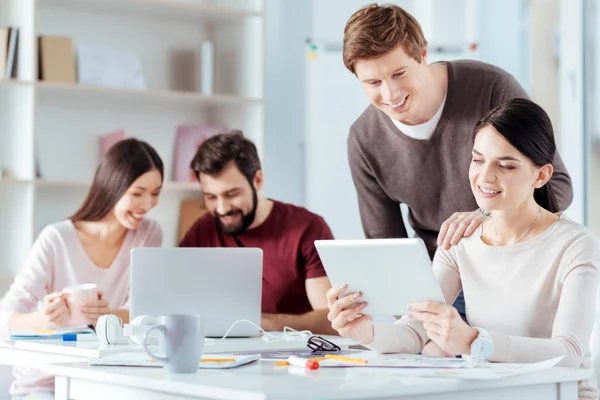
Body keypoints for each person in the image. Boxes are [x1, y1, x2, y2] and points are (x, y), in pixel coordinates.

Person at [327, 98, 600, 399]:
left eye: (505, 165)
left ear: (541, 175)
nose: (485, 176)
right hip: (491, 392)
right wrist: (363, 331)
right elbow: (414, 331)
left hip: (560, 394)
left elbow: (570, 352)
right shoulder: (461, 239)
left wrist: (475, 341)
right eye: (478, 160)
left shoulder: (575, 245)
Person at [343, 4, 574, 317]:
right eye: (373, 83)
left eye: (399, 73)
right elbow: (387, 247)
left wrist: (486, 216)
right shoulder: (364, 138)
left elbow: (558, 188)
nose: (391, 93)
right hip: (439, 282)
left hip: (518, 273)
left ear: (422, 54)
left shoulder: (491, 88)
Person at [0, 138, 164, 400]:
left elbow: (143, 314)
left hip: (107, 379)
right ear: (113, 186)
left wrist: (107, 316)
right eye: (137, 193)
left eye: (155, 193)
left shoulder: (149, 234)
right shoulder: (56, 238)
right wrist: (46, 318)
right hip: (46, 383)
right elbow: (6, 318)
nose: (148, 204)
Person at [179, 130, 336, 335]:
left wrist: (259, 323)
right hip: (220, 355)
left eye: (232, 194)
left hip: (291, 356)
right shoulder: (203, 230)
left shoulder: (308, 228)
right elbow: (176, 302)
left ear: (258, 180)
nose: (222, 208)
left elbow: (330, 320)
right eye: (210, 197)